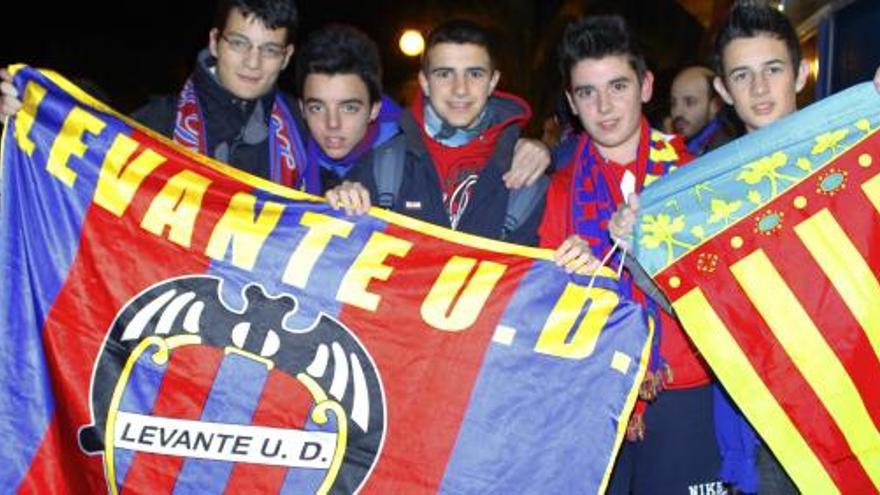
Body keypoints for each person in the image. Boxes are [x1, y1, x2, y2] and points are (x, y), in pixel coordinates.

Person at [538, 15, 724, 494]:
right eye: (586, 92)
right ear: (572, 103)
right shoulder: (558, 188)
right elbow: (539, 307)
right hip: (591, 391)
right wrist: (563, 274)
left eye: (617, 86)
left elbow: (725, 286)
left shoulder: (696, 174)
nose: (604, 106)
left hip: (684, 383)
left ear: (644, 86)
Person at [2, 0, 314, 192]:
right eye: (239, 43)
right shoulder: (156, 124)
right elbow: (74, 174)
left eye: (269, 50)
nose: (252, 62)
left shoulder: (305, 127)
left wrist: (346, 193)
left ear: (287, 57)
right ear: (215, 41)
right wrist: (28, 117)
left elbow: (339, 178)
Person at [325, 19, 573, 258]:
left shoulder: (528, 179)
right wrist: (338, 205)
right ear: (424, 82)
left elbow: (540, 287)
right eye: (445, 74)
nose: (460, 89)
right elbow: (333, 262)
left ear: (492, 82)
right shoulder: (383, 168)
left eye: (474, 74)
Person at [294, 24, 402, 190]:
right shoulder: (286, 161)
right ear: (302, 109)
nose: (332, 124)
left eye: (349, 108)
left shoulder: (409, 169)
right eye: (317, 108)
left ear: (374, 109)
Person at [670, 65, 736, 156]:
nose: (677, 112)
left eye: (690, 102)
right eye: (673, 103)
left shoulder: (727, 151)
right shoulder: (673, 149)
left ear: (715, 106)